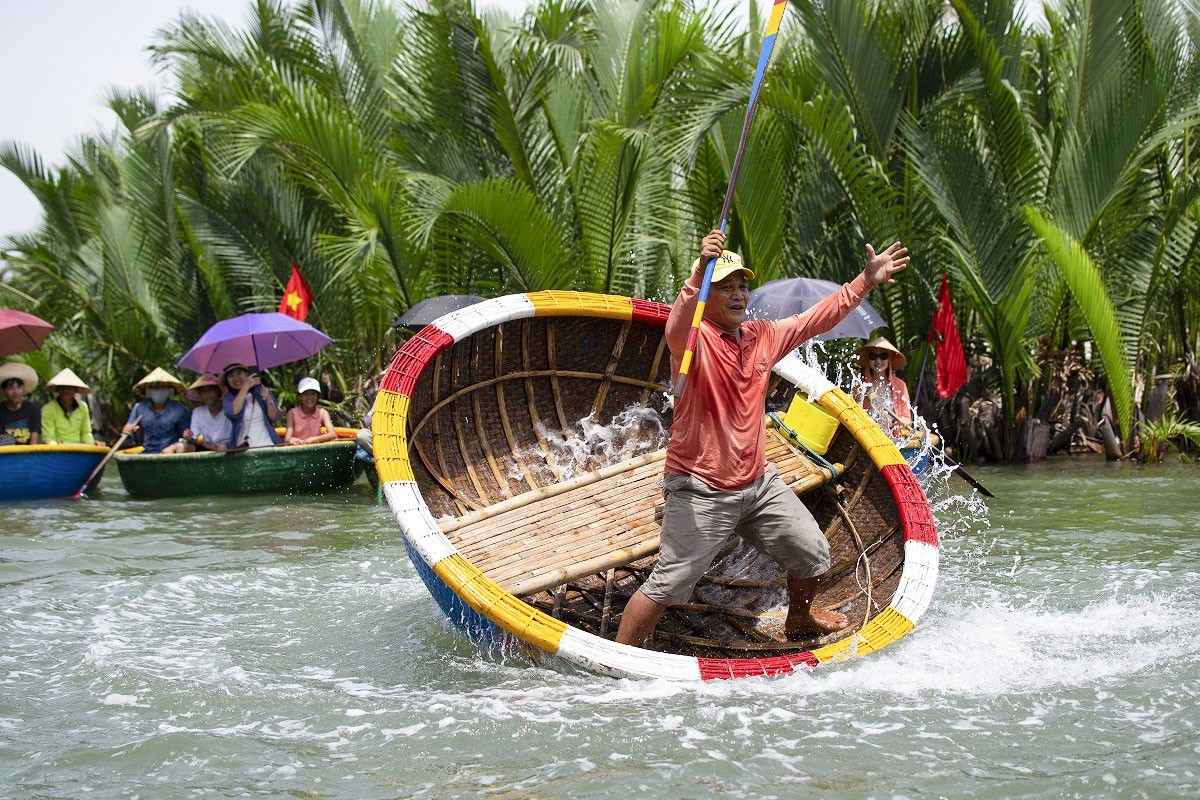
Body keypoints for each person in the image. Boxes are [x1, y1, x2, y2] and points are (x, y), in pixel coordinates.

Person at [614, 230, 910, 647]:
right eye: (726, 287)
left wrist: (865, 280)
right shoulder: (694, 339)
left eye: (742, 286)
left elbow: (816, 319)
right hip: (700, 488)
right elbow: (678, 323)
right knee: (669, 583)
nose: (738, 295)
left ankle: (799, 621)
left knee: (813, 554)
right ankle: (621, 659)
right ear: (706, 295)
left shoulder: (762, 336)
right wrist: (699, 272)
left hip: (757, 484)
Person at [854, 334, 912, 434]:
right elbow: (852, 416)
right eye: (873, 356)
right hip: (867, 436)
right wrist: (866, 399)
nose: (878, 361)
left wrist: (902, 421)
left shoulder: (900, 385)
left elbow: (907, 418)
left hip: (892, 437)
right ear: (868, 360)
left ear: (889, 359)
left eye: (883, 356)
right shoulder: (860, 385)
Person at [123, 368, 190, 454]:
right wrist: (127, 431)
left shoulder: (180, 410)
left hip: (170, 454)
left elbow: (187, 438)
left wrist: (174, 447)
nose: (159, 390)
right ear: (148, 391)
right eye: (155, 387)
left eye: (163, 387)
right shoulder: (139, 408)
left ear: (170, 390)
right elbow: (128, 435)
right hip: (146, 453)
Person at [222, 363, 281, 448]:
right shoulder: (228, 398)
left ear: (247, 374)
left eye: (239, 373)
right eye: (231, 376)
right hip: (243, 449)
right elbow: (233, 413)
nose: (236, 378)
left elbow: (274, 418)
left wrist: (268, 398)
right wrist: (245, 388)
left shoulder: (259, 390)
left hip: (268, 444)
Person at [41, 368, 95, 445]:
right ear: (58, 389)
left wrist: (90, 447)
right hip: (58, 448)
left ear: (75, 390)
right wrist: (57, 449)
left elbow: (86, 433)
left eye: (69, 388)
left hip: (80, 448)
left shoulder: (83, 407)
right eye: (62, 388)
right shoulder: (48, 409)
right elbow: (49, 437)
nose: (65, 391)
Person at [181, 374, 230, 452]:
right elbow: (196, 438)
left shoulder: (229, 408)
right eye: (204, 392)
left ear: (218, 391)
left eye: (210, 390)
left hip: (229, 448)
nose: (207, 394)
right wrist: (189, 437)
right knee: (183, 447)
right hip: (206, 447)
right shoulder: (197, 412)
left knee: (222, 447)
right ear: (200, 395)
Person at [284, 377, 337, 445]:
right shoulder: (292, 413)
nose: (309, 397)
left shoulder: (323, 413)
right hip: (297, 448)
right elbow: (287, 438)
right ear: (299, 397)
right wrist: (293, 440)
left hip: (316, 448)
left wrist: (315, 439)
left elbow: (332, 434)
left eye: (313, 394)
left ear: (317, 396)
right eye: (305, 394)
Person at [0, 362, 42, 446]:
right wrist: (17, 439)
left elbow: (34, 438)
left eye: (19, 387)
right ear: (4, 390)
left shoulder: (32, 409)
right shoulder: (1, 411)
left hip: (28, 451)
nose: (15, 392)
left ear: (23, 389)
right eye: (10, 388)